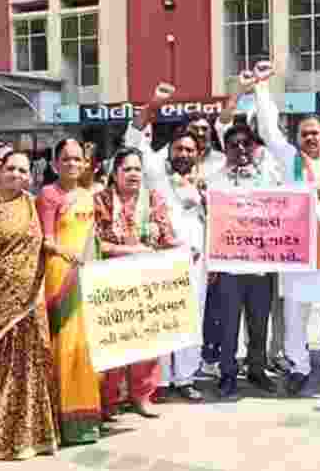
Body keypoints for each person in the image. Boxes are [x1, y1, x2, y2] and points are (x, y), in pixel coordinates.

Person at [251, 62, 320, 395]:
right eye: (304, 133)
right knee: (297, 311)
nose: (310, 138)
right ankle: (299, 366)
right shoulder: (288, 159)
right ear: (297, 138)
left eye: (316, 133)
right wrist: (262, 86)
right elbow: (268, 129)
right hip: (299, 249)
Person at [0, 151, 57, 460]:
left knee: (29, 368)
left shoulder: (31, 203)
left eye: (23, 170)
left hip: (30, 301)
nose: (17, 174)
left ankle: (29, 438)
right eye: (11, 168)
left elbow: (41, 244)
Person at [125, 105, 209, 404]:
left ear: (197, 154)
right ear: (170, 150)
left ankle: (185, 377)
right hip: (163, 259)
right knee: (163, 318)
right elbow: (134, 139)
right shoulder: (156, 172)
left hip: (198, 263)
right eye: (179, 149)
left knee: (192, 318)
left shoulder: (203, 181)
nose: (184, 154)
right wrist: (150, 107)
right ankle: (159, 381)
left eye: (190, 150)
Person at [93, 147, 180, 418]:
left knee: (146, 341)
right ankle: (108, 400)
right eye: (127, 169)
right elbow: (94, 243)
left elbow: (166, 237)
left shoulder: (154, 199)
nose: (133, 174)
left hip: (146, 281)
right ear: (114, 173)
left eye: (137, 169)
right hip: (112, 281)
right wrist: (130, 251)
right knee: (113, 342)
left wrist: (183, 248)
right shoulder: (101, 201)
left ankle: (142, 396)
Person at [205, 123, 282, 398]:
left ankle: (257, 370)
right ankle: (227, 373)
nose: (240, 149)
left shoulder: (268, 178)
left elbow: (284, 212)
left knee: (259, 322)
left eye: (245, 144)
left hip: (260, 265)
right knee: (228, 324)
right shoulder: (214, 181)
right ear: (224, 150)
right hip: (228, 266)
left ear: (253, 148)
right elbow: (210, 223)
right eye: (233, 144)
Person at [37, 138, 102, 445]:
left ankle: (86, 419)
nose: (73, 164)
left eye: (78, 159)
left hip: (86, 273)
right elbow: (45, 240)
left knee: (85, 346)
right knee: (64, 344)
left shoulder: (87, 196)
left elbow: (93, 240)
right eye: (66, 159)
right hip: (60, 274)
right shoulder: (49, 195)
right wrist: (67, 253)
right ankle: (62, 422)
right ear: (54, 164)